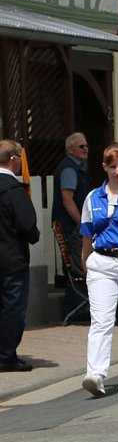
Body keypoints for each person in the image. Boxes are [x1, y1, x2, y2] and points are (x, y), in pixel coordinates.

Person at [80, 144, 118, 396]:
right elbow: (86, 236)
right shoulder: (93, 197)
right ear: (104, 168)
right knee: (101, 319)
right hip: (101, 262)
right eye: (113, 167)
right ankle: (96, 374)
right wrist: (86, 264)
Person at [0, 140, 39, 372]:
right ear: (14, 160)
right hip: (12, 259)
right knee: (12, 307)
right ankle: (6, 355)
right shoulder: (14, 190)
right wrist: (33, 235)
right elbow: (27, 224)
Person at [53, 132, 91, 320]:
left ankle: (77, 308)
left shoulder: (78, 167)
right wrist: (82, 223)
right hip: (72, 229)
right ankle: (77, 310)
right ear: (70, 149)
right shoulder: (69, 169)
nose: (86, 149)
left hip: (73, 229)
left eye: (86, 146)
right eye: (81, 146)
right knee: (79, 265)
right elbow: (68, 200)